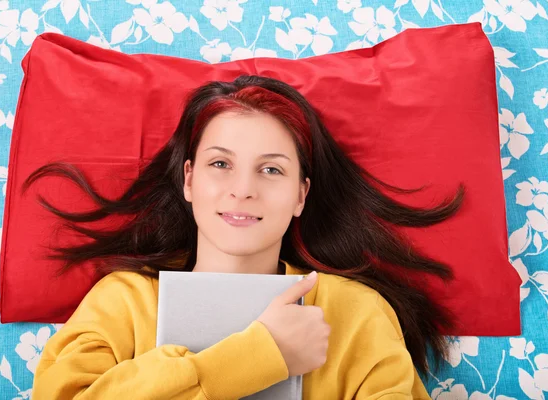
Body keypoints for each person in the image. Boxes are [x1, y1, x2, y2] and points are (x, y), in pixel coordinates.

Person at [30, 75, 464, 399]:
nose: (243, 189)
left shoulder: (355, 311)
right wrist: (261, 357)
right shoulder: (122, 300)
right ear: (188, 179)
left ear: (300, 195)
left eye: (271, 169)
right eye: (220, 164)